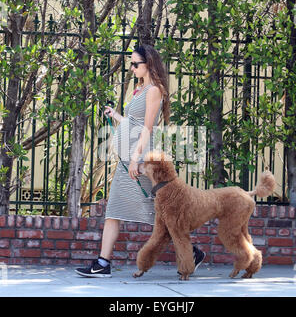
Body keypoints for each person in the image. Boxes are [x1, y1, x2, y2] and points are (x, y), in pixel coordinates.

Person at [75, 44, 205, 278]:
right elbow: (134, 123)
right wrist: (115, 116)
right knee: (116, 210)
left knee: (160, 214)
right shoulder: (141, 88)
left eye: (136, 64)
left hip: (141, 162)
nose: (132, 68)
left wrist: (135, 160)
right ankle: (103, 263)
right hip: (131, 160)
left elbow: (147, 128)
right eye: (131, 64)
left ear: (149, 65)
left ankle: (192, 252)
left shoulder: (154, 90)